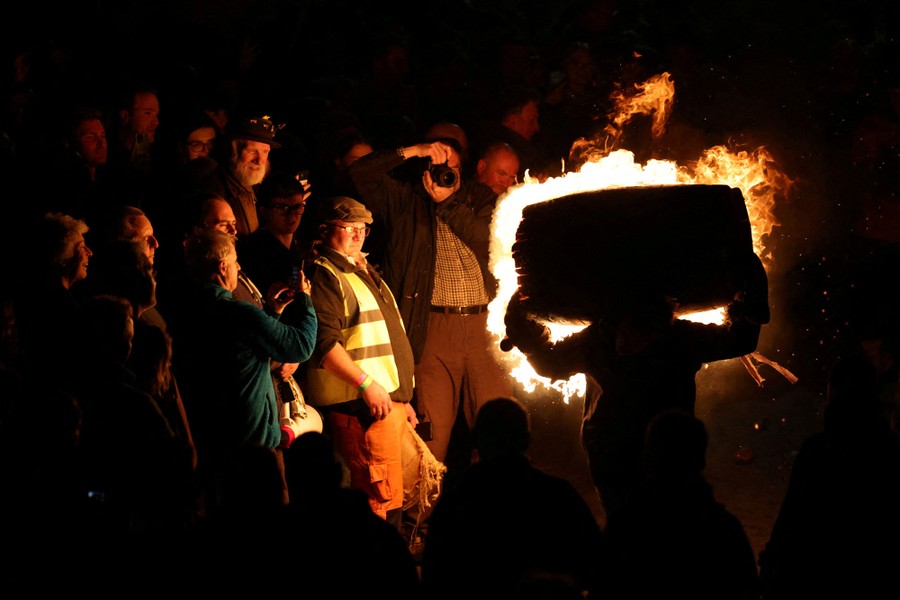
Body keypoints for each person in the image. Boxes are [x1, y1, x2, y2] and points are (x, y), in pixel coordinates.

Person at [502, 254, 769, 520]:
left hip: (667, 453)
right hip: (611, 452)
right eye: (627, 334)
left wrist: (751, 292)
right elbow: (550, 363)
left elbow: (739, 341)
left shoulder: (680, 340)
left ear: (659, 332)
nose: (627, 344)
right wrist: (522, 309)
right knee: (626, 522)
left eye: (640, 338)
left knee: (667, 523)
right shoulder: (601, 338)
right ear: (621, 321)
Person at [348, 137, 515, 481]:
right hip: (432, 329)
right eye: (438, 166)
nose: (445, 174)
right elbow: (360, 174)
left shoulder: (481, 198)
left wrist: (450, 203)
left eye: (452, 168)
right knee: (430, 439)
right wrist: (412, 149)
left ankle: (498, 519)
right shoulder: (405, 200)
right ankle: (419, 527)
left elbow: (489, 239)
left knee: (499, 434)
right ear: (426, 168)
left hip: (486, 329)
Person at [171, 228, 318, 519]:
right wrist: (304, 300)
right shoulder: (238, 313)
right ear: (223, 266)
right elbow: (300, 346)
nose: (240, 267)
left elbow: (246, 354)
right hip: (254, 446)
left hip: (212, 440)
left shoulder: (186, 311)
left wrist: (272, 313)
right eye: (236, 261)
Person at [305, 195, 418, 528]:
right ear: (325, 230)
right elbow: (325, 346)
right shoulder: (326, 274)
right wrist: (367, 385)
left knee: (389, 499)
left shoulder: (362, 270)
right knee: (376, 504)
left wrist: (401, 399)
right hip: (360, 408)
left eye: (363, 228)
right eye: (348, 227)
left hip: (383, 405)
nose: (357, 235)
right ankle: (376, 574)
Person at [420, 397, 603, 600]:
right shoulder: (558, 495)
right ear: (527, 439)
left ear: (476, 440)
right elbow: (598, 567)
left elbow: (433, 581)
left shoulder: (456, 502)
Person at [758, 352, 900, 599]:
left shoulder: (818, 450)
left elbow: (792, 518)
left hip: (819, 581)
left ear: (832, 391)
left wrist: (773, 567)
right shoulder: (891, 450)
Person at [597, 408, 761, 600]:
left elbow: (602, 591)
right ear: (700, 461)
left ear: (648, 458)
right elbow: (748, 594)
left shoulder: (626, 525)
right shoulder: (723, 529)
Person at [188, 114, 282, 237]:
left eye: (265, 152)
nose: (259, 160)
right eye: (252, 151)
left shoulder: (252, 186)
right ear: (233, 151)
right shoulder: (213, 191)